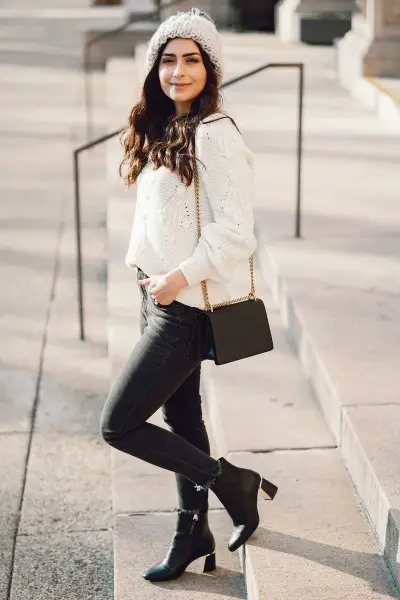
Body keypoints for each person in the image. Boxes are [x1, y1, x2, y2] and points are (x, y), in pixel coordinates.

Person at [100, 7, 278, 583]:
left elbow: (235, 229)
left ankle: (232, 482)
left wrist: (178, 278)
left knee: (119, 425)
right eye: (168, 60)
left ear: (210, 68)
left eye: (191, 60)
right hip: (157, 296)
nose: (178, 71)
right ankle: (192, 529)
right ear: (155, 68)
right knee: (181, 420)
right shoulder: (165, 127)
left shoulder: (215, 134)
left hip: (182, 305)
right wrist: (156, 282)